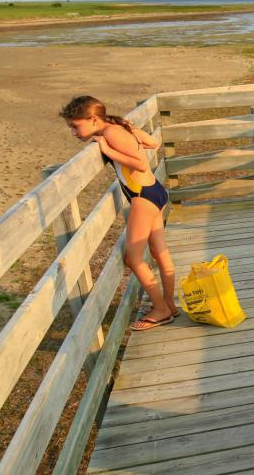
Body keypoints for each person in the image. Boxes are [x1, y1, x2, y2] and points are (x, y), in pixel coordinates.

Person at [60, 96, 177, 331]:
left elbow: (141, 164)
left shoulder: (111, 133)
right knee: (159, 252)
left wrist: (107, 149)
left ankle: (161, 309)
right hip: (155, 191)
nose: (73, 131)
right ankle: (170, 306)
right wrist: (130, 140)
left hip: (143, 197)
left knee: (132, 258)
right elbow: (151, 144)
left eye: (75, 125)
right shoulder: (120, 127)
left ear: (93, 120)